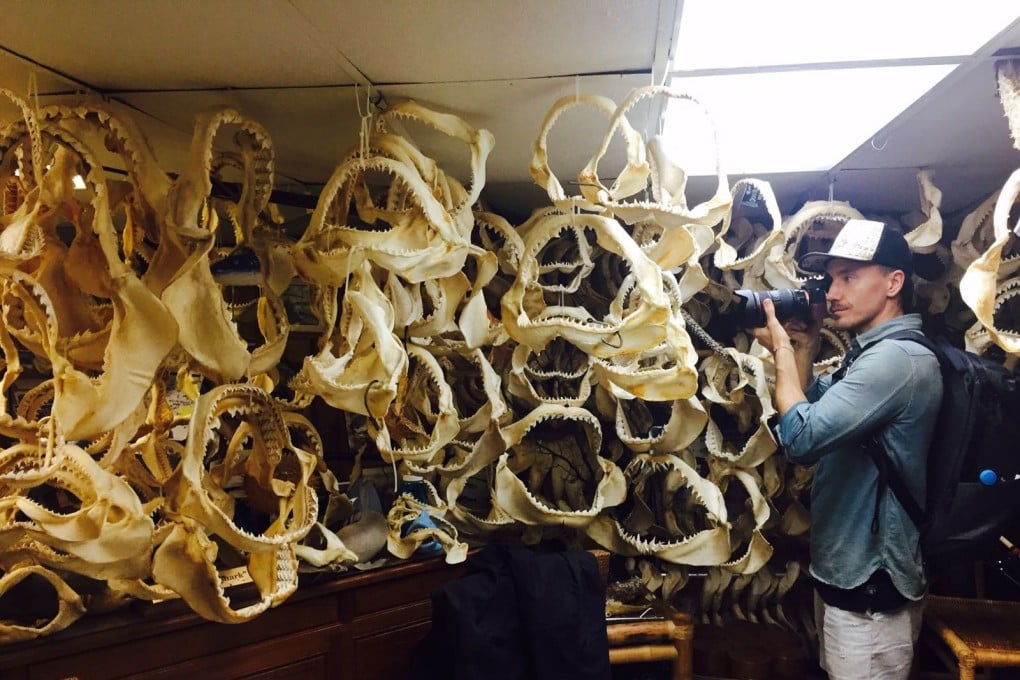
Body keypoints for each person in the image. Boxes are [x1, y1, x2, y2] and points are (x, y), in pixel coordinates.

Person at [751, 219, 942, 680]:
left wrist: (779, 349)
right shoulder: (870, 354)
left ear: (894, 282)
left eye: (850, 277)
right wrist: (805, 345)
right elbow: (813, 407)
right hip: (847, 573)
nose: (833, 293)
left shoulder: (896, 361)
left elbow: (801, 438)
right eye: (832, 279)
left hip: (871, 583)